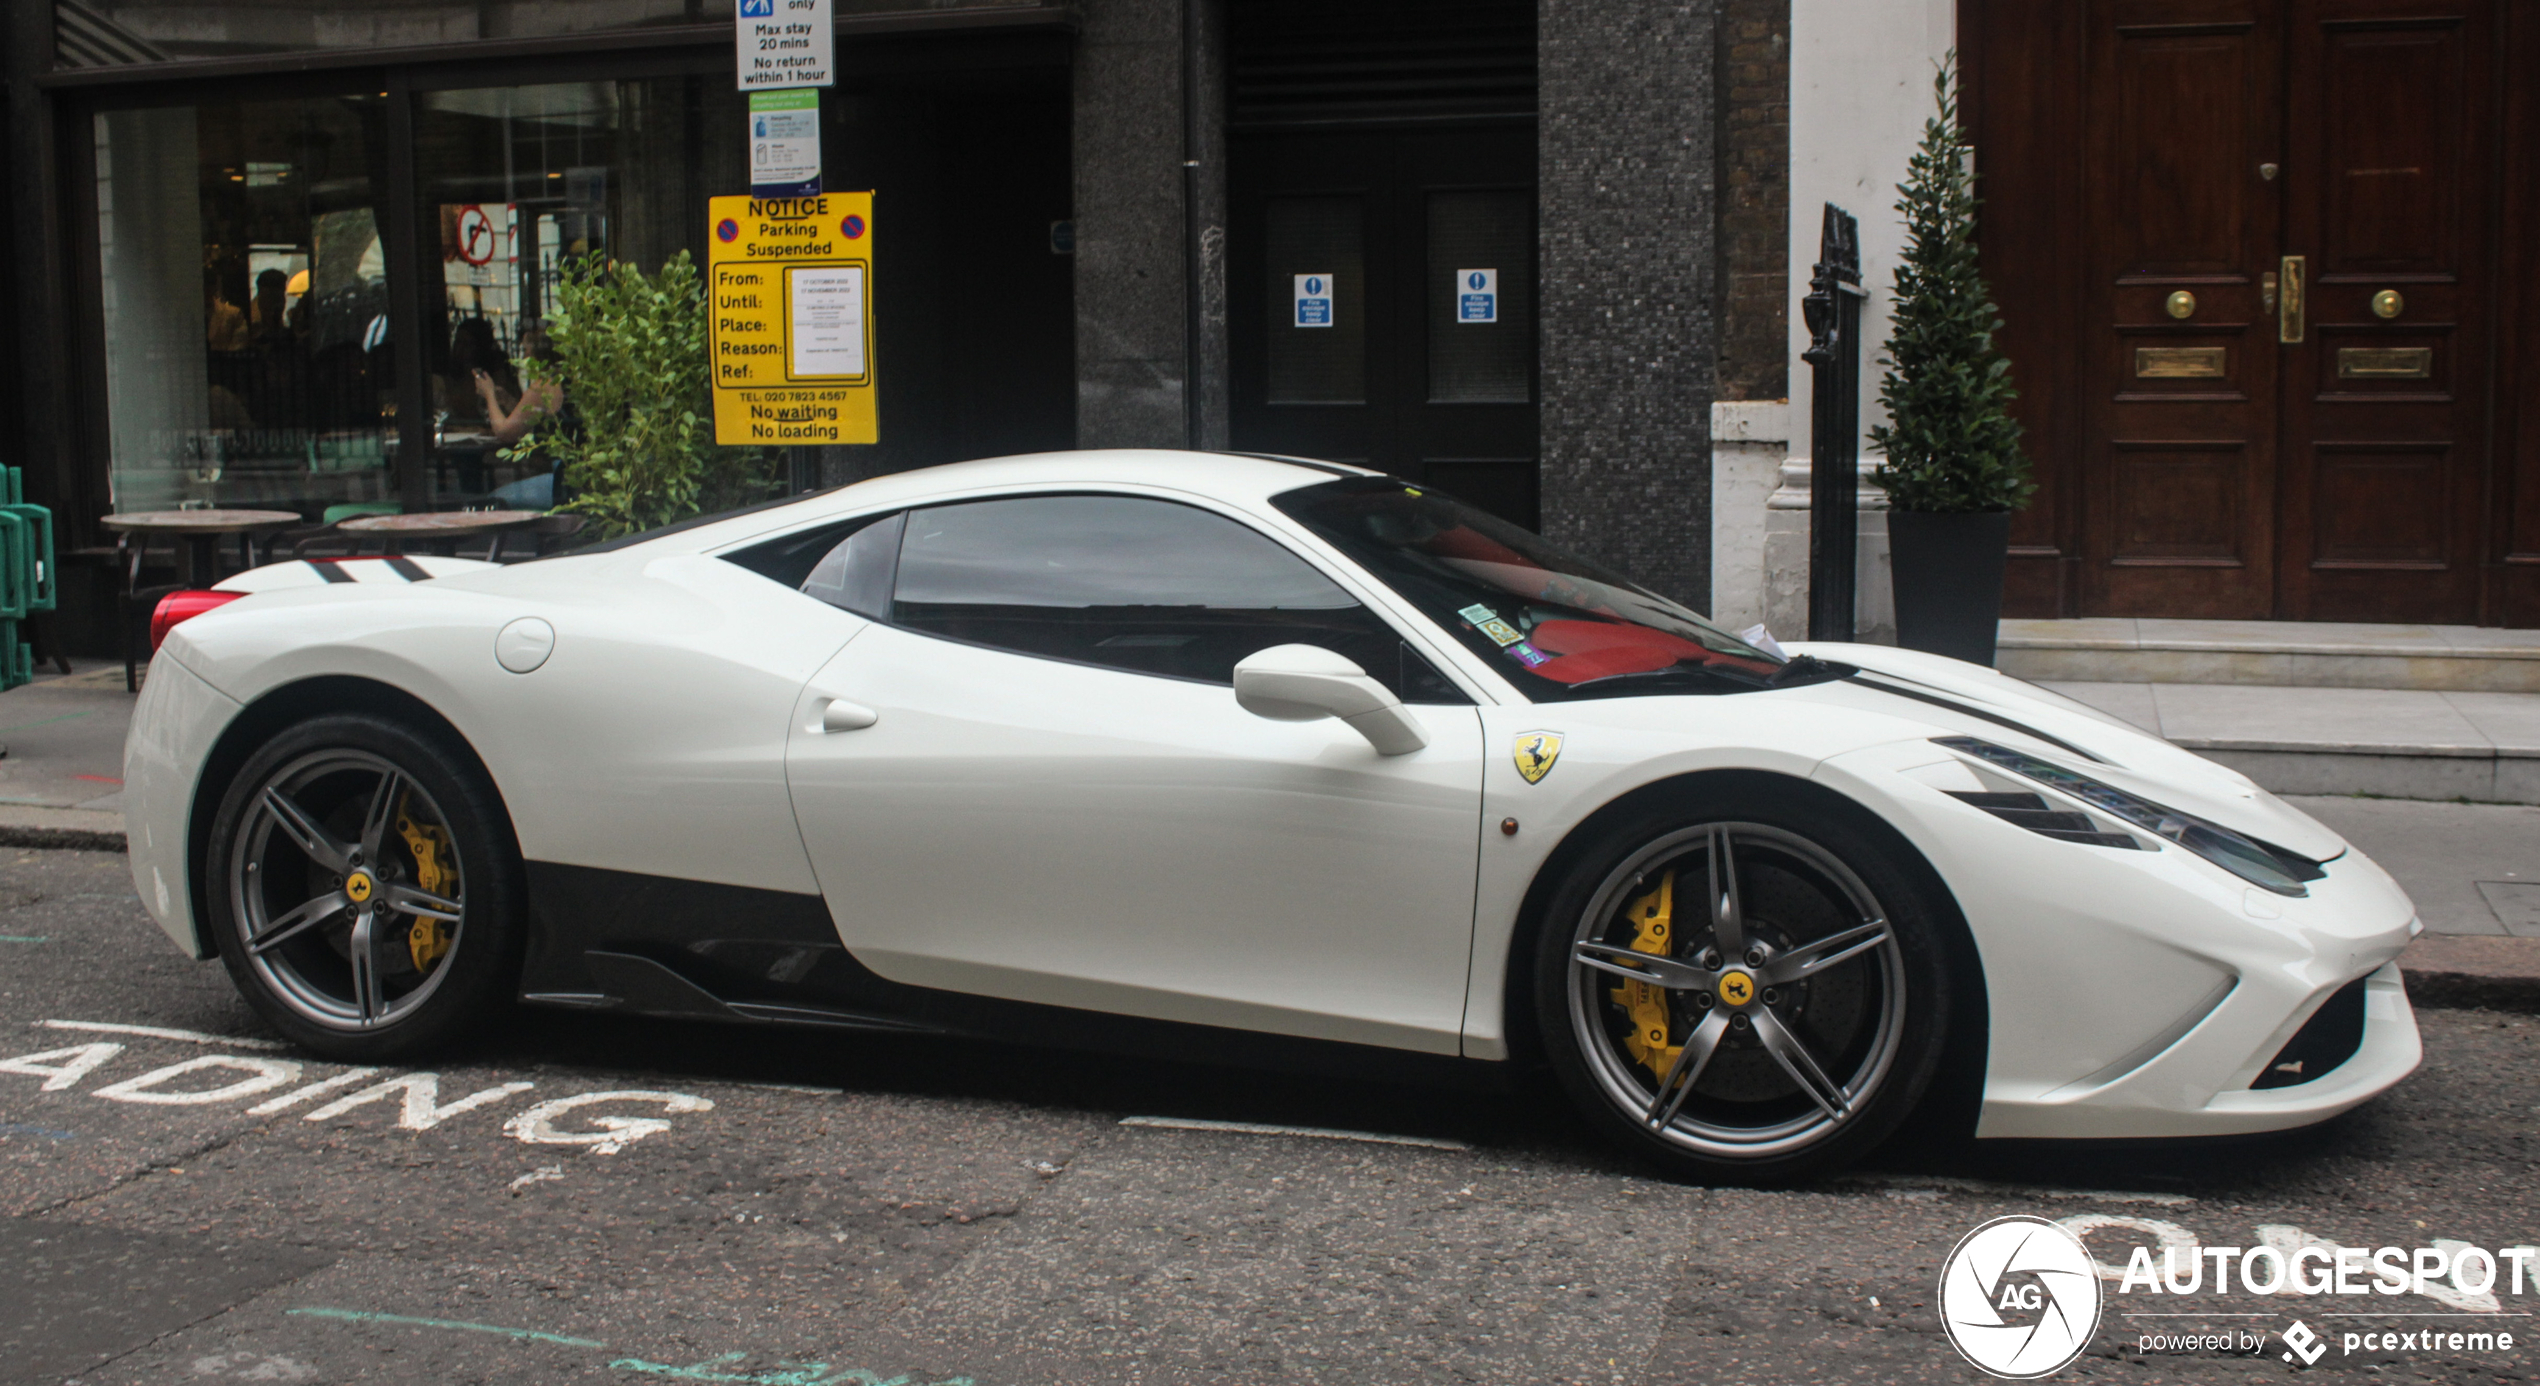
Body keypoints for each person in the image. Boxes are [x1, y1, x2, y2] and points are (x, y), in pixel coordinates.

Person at [473, 322, 562, 446]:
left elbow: (505, 433)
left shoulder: (542, 387)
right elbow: (532, 418)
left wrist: (489, 394)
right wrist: (509, 402)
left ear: (538, 355)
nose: (524, 356)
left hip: (545, 461)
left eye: (526, 350)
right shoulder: (564, 381)